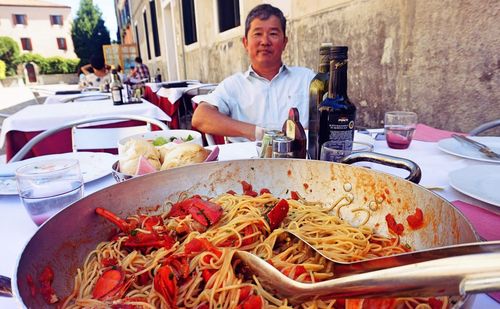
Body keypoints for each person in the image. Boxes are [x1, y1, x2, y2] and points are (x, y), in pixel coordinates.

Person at [191, 4, 315, 142]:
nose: (265, 41)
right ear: (245, 42)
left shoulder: (307, 79)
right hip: (248, 160)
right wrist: (256, 132)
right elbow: (200, 117)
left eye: (273, 34)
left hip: (302, 158)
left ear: (285, 42)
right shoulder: (233, 86)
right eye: (257, 34)